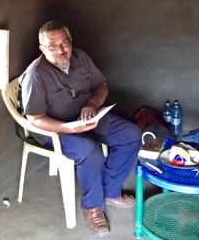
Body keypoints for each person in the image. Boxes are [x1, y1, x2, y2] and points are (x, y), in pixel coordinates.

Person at [20, 21, 140, 237]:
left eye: (65, 43)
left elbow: (102, 86)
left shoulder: (81, 58)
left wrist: (92, 105)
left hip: (89, 117)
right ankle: (93, 207)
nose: (61, 50)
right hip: (56, 129)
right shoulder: (36, 74)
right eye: (52, 45)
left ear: (71, 42)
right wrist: (68, 127)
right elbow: (35, 119)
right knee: (89, 152)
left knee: (131, 135)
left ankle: (110, 192)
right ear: (42, 48)